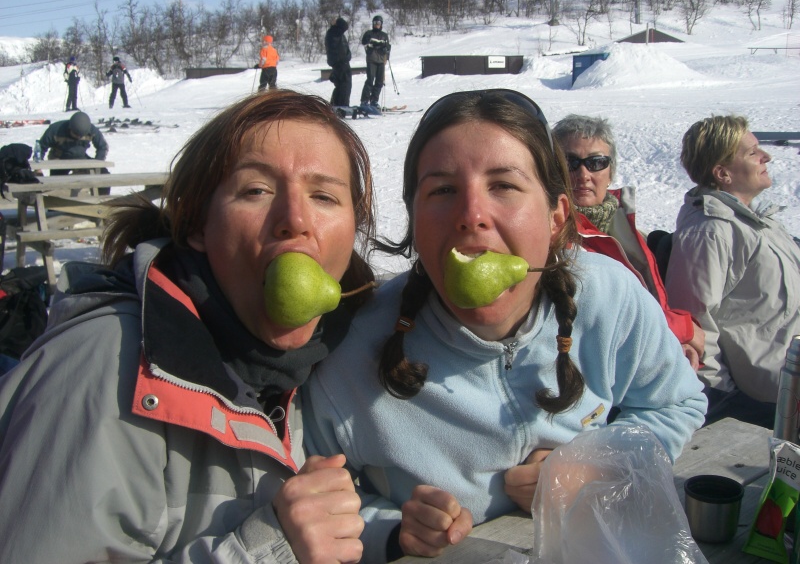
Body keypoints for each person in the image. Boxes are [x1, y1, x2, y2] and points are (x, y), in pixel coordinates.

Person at [302, 89, 707, 563]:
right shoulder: (351, 351)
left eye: (504, 186)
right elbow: (317, 497)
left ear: (557, 218)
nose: (471, 215)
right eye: (443, 190)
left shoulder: (609, 296)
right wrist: (395, 532)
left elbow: (676, 403)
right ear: (414, 218)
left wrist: (591, 467)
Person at [0, 89, 376, 563]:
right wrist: (266, 550)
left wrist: (396, 529)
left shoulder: (325, 363)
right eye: (257, 190)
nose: (295, 220)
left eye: (324, 196)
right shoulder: (103, 371)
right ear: (198, 224)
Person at [666, 114, 800, 428]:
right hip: (770, 394)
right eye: (753, 152)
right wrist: (725, 401)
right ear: (722, 173)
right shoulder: (710, 232)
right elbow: (694, 322)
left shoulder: (757, 222)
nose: (766, 156)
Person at [552, 114, 705, 370]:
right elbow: (602, 316)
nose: (584, 174)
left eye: (596, 162)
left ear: (611, 171)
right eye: (571, 162)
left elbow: (653, 298)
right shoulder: (554, 236)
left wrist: (678, 341)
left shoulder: (622, 222)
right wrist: (680, 329)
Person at [38, 111, 111, 179]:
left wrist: (97, 164)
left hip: (80, 158)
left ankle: (100, 193)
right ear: (70, 128)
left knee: (104, 175)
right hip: (59, 159)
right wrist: (38, 168)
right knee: (58, 184)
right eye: (76, 134)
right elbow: (40, 148)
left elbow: (102, 147)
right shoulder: (55, 130)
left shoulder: (92, 130)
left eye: (81, 136)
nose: (78, 137)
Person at [360, 15, 391, 112]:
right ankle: (364, 100)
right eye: (375, 23)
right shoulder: (369, 33)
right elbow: (364, 42)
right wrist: (372, 43)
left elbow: (388, 47)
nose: (377, 25)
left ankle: (374, 100)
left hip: (381, 60)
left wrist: (386, 55)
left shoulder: (384, 35)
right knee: (370, 79)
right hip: (372, 59)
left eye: (379, 23)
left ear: (381, 24)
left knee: (379, 81)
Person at [325, 17, 352, 108]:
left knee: (340, 85)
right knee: (345, 85)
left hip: (339, 62)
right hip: (340, 62)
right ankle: (342, 106)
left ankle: (334, 105)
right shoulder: (334, 32)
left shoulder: (334, 33)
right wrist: (338, 20)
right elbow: (345, 25)